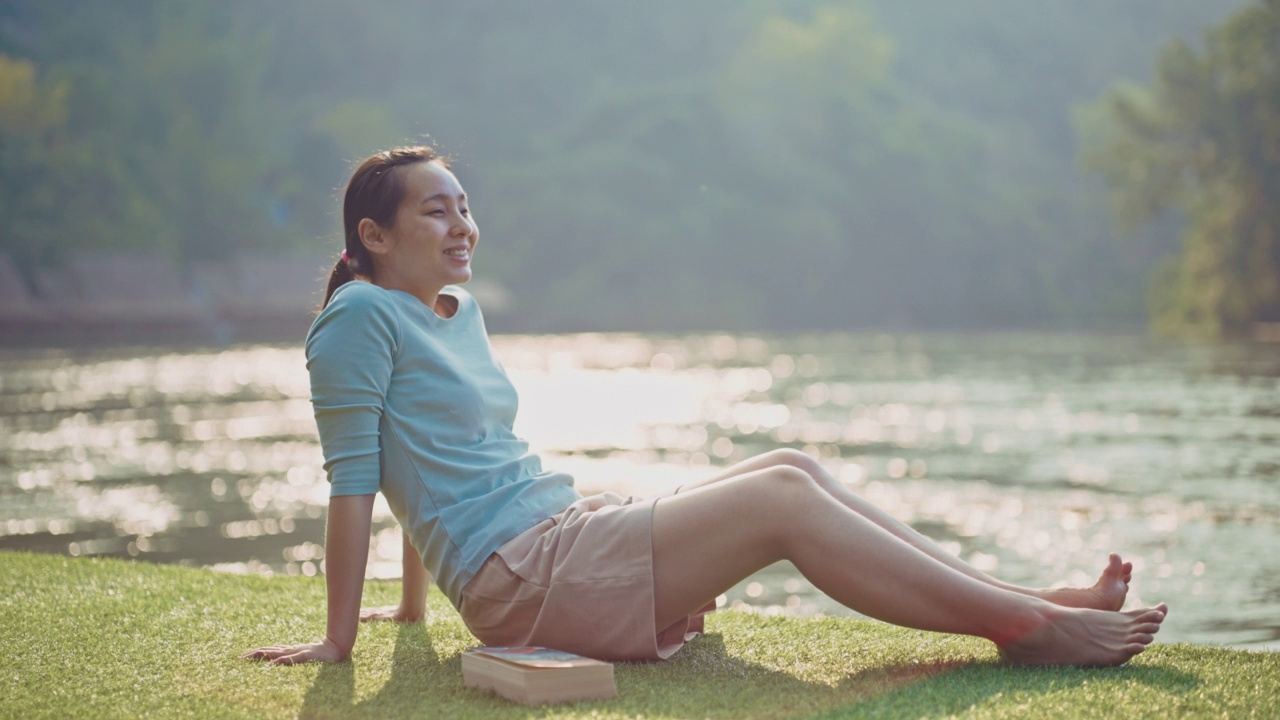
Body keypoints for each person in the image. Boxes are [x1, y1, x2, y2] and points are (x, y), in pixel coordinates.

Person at [241, 145, 1167, 668]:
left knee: (792, 469)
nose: (463, 225)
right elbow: (359, 482)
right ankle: (1028, 630)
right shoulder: (357, 318)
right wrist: (336, 638)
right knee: (784, 506)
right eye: (436, 211)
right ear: (373, 234)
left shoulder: (453, 311)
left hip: (554, 535)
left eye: (465, 206)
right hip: (520, 581)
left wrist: (412, 613)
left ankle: (1026, 599)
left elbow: (439, 461)